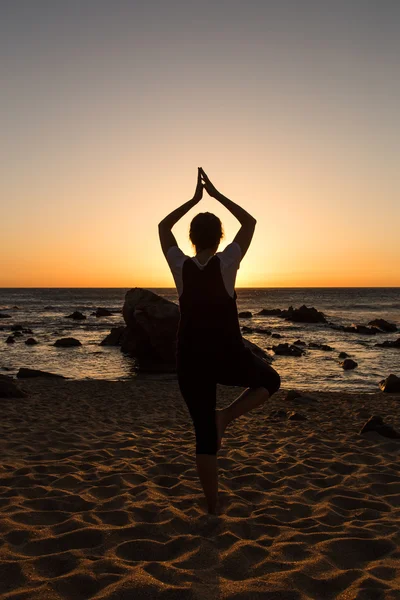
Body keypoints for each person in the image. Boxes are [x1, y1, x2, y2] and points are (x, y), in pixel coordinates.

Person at [158, 167, 281, 515]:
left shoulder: (180, 265)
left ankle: (212, 508)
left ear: (193, 237)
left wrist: (193, 200)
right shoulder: (227, 262)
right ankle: (226, 415)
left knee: (204, 434)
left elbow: (163, 228)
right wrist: (216, 194)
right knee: (270, 380)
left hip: (191, 359)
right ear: (220, 236)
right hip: (228, 356)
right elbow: (251, 222)